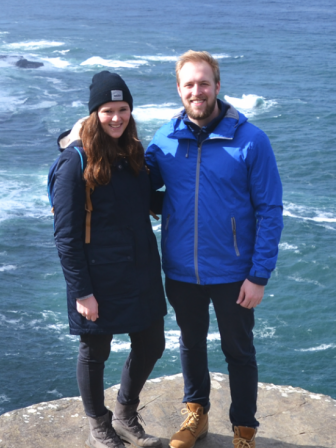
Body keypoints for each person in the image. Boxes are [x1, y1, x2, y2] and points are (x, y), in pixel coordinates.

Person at [144, 51, 283, 448]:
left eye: (204, 83)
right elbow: (132, 182)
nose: (197, 91)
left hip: (234, 272)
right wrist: (70, 165)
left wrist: (258, 275)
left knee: (238, 351)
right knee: (190, 343)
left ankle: (244, 430)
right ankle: (196, 415)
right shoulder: (164, 139)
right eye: (189, 84)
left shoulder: (252, 140)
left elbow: (270, 210)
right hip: (181, 268)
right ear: (179, 89)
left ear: (218, 86)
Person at [50, 71, 169, 448]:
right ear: (94, 114)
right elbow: (65, 236)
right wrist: (82, 292)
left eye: (123, 109)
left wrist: (202, 194)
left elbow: (146, 201)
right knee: (94, 352)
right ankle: (98, 424)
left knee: (152, 343)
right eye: (107, 111)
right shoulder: (74, 162)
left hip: (140, 270)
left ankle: (124, 413)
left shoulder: (132, 152)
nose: (116, 117)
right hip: (98, 277)